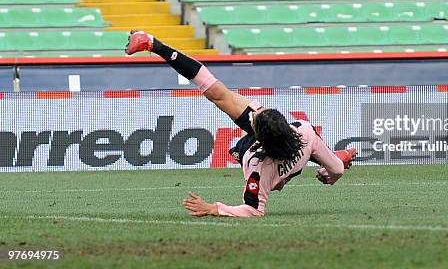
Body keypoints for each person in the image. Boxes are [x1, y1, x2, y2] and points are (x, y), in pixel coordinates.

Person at [125, 31, 357, 217]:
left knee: (223, 107)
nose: (256, 112)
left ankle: (153, 43)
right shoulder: (303, 129)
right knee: (217, 93)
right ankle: (152, 44)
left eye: (256, 119)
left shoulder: (256, 167)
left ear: (258, 137)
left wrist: (215, 208)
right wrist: (331, 171)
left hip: (267, 163)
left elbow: (254, 211)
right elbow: (336, 169)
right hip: (295, 150)